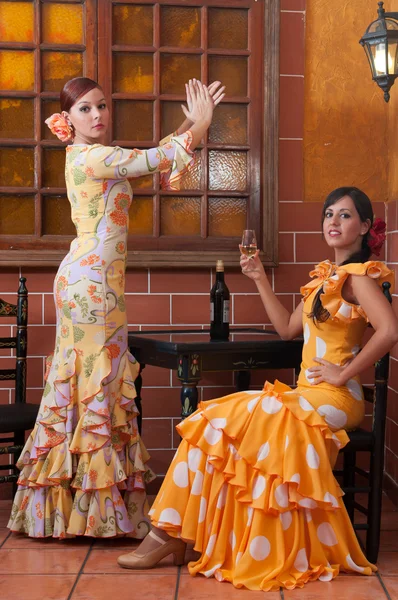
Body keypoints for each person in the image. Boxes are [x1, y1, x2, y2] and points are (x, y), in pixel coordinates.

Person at [117, 187, 398, 591]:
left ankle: (237, 543)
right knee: (212, 418)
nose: (333, 222)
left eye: (346, 215)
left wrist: (343, 373)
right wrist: (259, 279)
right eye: (328, 214)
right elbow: (287, 328)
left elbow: (389, 330)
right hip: (305, 396)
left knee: (261, 415)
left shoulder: (359, 278)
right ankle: (170, 533)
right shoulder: (325, 280)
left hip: (338, 399)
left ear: (365, 226)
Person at [7, 76, 225, 539]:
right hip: (90, 284)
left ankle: (73, 508)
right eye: (85, 109)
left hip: (95, 281)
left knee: (90, 381)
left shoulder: (94, 155)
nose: (98, 115)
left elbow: (153, 160)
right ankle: (85, 513)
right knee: (96, 382)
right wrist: (199, 126)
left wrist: (192, 122)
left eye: (102, 106)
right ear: (69, 119)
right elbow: (151, 160)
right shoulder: (92, 156)